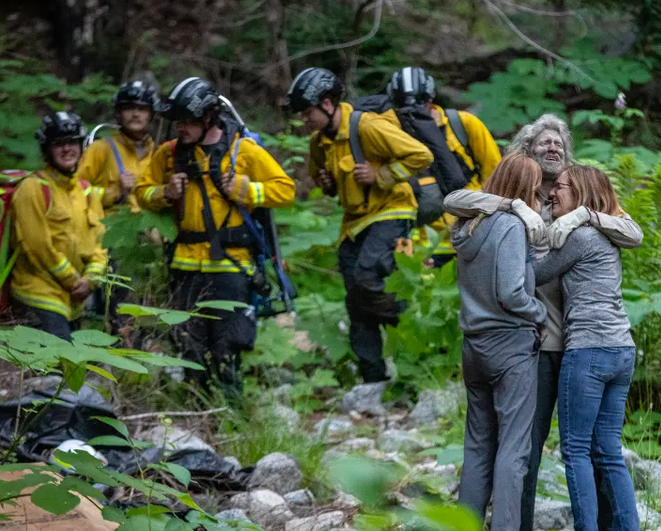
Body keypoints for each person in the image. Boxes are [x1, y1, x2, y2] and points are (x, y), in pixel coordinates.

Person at [442, 113, 643, 531]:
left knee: (588, 446)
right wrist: (512, 204)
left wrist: (583, 216)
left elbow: (632, 230)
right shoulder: (516, 201)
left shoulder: (578, 195)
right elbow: (456, 199)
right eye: (543, 143)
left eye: (558, 143)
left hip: (577, 341)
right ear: (526, 154)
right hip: (532, 338)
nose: (552, 148)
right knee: (526, 445)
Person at [136, 77, 296, 399]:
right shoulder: (169, 154)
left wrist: (247, 190)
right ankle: (197, 410)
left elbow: (286, 189)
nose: (180, 128)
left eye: (188, 121)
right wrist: (163, 193)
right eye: (177, 121)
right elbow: (142, 192)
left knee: (227, 345)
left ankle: (231, 412)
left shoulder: (243, 150)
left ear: (208, 116)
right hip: (184, 265)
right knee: (188, 344)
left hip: (231, 265)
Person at [285, 67, 433, 395]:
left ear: (327, 104)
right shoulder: (319, 142)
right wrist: (325, 184)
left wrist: (382, 173)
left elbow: (421, 156)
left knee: (368, 277)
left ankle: (410, 327)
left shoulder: (367, 126)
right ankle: (373, 379)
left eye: (307, 112)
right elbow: (319, 180)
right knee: (355, 299)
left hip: (393, 210)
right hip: (354, 223)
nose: (304, 120)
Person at [533, 165, 642, 531]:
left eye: (559, 188)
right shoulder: (605, 233)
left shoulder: (579, 236)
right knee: (608, 449)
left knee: (576, 448)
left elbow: (536, 274)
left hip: (588, 349)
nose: (552, 194)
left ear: (578, 192)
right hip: (621, 349)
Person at [453, 153, 547, 531]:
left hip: (473, 345)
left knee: (477, 442)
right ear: (526, 189)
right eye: (537, 187)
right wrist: (539, 311)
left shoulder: (468, 226)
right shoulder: (510, 226)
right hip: (510, 345)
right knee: (514, 441)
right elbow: (511, 292)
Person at [386, 67, 501, 268]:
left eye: (421, 102)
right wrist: (405, 259)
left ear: (431, 98)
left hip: (467, 238)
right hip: (415, 245)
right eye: (402, 105)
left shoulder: (462, 124)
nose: (412, 111)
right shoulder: (388, 134)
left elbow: (496, 175)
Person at [10, 112, 107, 341]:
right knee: (53, 373)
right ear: (47, 150)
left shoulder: (87, 191)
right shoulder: (32, 189)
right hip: (38, 295)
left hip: (74, 301)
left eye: (72, 142)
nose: (67, 149)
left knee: (77, 371)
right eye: (59, 144)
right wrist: (74, 281)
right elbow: (37, 247)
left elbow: (101, 244)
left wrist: (91, 279)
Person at [78, 80, 159, 213]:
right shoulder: (100, 149)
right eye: (128, 108)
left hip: (147, 231)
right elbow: (74, 191)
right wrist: (114, 192)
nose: (135, 114)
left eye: (142, 109)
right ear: (118, 113)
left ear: (151, 114)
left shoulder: (157, 153)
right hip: (110, 229)